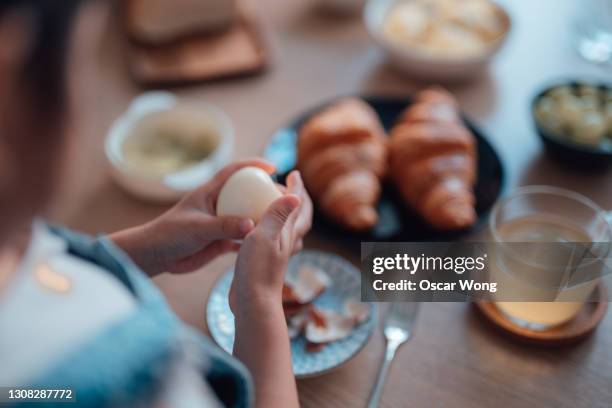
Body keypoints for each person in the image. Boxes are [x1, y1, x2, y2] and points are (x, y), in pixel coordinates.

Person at [0, 1, 312, 407]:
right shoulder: (131, 372)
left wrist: (144, 248)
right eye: (84, 61)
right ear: (9, 74)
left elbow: (41, 269)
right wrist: (258, 305)